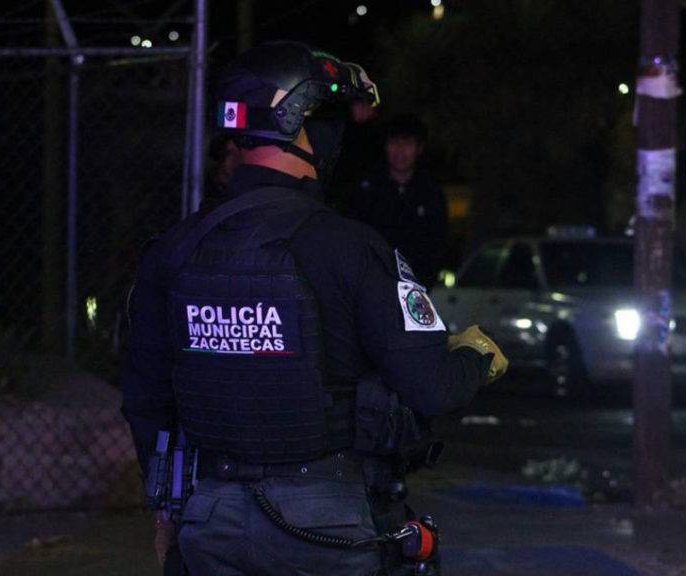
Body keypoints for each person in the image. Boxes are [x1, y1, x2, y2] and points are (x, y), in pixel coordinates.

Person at [121, 41, 508, 576]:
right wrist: (475, 358)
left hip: (208, 518)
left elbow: (146, 400)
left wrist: (167, 509)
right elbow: (431, 386)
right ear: (297, 122)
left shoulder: (173, 251)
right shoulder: (351, 248)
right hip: (329, 524)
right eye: (326, 119)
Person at [345, 115, 448, 287]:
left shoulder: (431, 192)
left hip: (417, 286)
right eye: (394, 143)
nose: (400, 151)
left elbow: (437, 244)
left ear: (419, 148)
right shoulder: (367, 189)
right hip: (373, 283)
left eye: (407, 144)